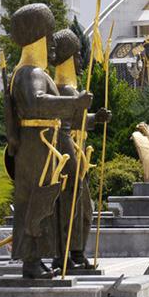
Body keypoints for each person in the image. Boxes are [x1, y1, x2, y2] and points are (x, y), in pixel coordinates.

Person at [7, 4, 92, 278]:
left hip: (41, 142)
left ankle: (35, 260)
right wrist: (73, 102)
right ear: (38, 36)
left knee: (40, 200)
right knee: (36, 200)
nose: (52, 42)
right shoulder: (30, 73)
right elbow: (36, 103)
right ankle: (30, 261)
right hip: (37, 143)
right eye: (49, 34)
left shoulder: (33, 72)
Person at [50, 29, 110, 271]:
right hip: (66, 152)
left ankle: (76, 253)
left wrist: (96, 118)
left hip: (76, 151)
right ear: (67, 58)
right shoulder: (64, 89)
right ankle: (66, 255)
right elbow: (66, 124)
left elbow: (77, 121)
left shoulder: (70, 90)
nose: (80, 61)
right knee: (72, 205)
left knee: (83, 207)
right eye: (76, 56)